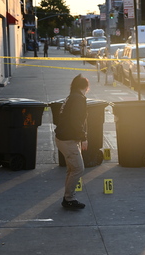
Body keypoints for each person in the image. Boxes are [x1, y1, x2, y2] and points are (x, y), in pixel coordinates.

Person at [55, 74, 89, 209]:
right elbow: (76, 121)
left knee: (72, 169)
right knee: (78, 169)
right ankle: (68, 198)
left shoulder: (72, 97)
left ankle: (69, 197)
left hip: (65, 138)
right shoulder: (78, 99)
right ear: (85, 87)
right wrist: (84, 138)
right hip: (68, 139)